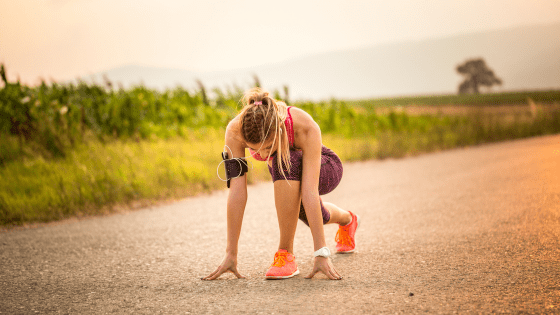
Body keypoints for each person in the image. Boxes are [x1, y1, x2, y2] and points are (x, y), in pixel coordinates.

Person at [202, 88, 360, 281]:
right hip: (288, 171)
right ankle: (348, 220)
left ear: (278, 130)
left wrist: (321, 253)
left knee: (284, 161)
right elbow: (237, 192)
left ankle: (285, 255)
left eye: (267, 147)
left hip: (326, 167)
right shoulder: (235, 131)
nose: (261, 153)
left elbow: (309, 192)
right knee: (315, 215)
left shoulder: (305, 126)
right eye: (254, 149)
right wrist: (230, 254)